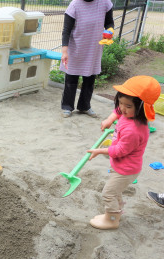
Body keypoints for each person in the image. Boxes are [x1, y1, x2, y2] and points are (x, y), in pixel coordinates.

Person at [87, 76, 161, 229]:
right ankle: (115, 214)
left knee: (108, 193)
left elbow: (120, 150)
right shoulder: (129, 113)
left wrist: (100, 150)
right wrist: (109, 119)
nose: (122, 108)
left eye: (127, 105)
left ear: (141, 107)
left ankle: (112, 220)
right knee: (115, 192)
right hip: (121, 166)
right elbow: (118, 111)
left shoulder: (134, 130)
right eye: (120, 102)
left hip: (126, 170)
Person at [60, 0, 114, 118]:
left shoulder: (105, 3)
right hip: (75, 48)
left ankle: (84, 106)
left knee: (90, 79)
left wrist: (109, 32)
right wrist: (64, 51)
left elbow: (109, 22)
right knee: (71, 79)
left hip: (93, 49)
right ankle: (67, 107)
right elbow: (66, 30)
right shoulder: (74, 5)